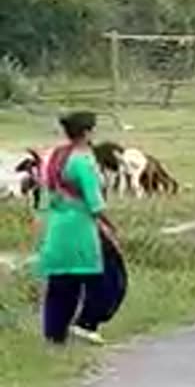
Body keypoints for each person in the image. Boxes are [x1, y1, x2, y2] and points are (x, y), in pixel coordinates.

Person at [31, 111, 121, 346]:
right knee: (110, 278)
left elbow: (45, 191)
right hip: (82, 228)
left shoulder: (54, 156)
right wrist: (112, 226)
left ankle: (54, 336)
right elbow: (94, 203)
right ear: (87, 132)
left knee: (61, 285)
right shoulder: (82, 161)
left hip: (57, 226)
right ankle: (86, 323)